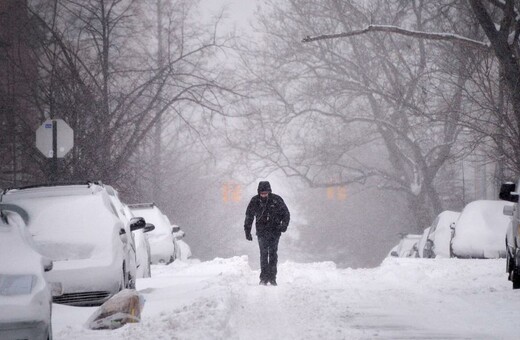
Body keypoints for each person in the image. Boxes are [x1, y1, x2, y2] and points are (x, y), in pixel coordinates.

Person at [244, 181, 290, 286]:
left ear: (269, 191)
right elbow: (249, 216)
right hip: (261, 232)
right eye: (262, 193)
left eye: (265, 193)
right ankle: (264, 277)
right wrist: (247, 231)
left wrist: (284, 225)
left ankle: (272, 277)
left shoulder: (277, 200)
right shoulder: (255, 201)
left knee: (273, 254)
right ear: (259, 192)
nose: (264, 195)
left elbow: (286, 214)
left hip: (275, 231)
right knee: (263, 254)